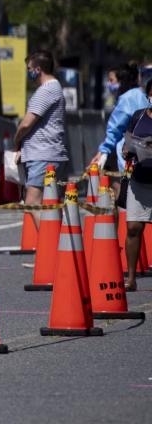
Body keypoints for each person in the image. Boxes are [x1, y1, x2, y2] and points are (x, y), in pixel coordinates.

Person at [14, 51, 68, 226]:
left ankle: (51, 245)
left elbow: (26, 124)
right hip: (48, 153)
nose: (28, 72)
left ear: (38, 69)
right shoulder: (54, 88)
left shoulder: (47, 90)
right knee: (50, 204)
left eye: (29, 68)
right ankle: (58, 245)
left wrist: (17, 141)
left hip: (42, 154)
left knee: (33, 203)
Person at [122, 78, 152, 291]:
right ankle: (131, 278)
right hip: (139, 180)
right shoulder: (138, 116)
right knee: (133, 227)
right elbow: (128, 141)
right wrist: (129, 150)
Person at [91, 63, 149, 173]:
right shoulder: (143, 95)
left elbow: (115, 128)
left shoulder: (127, 99)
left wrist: (103, 151)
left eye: (111, 80)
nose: (108, 84)